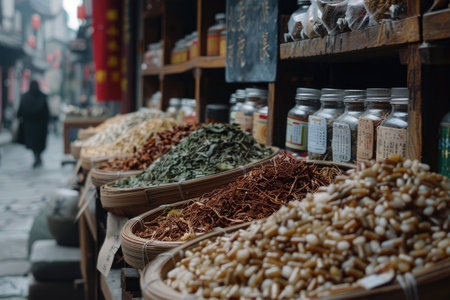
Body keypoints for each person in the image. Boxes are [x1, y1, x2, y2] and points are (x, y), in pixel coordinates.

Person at [17, 80, 49, 168]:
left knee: (34, 144)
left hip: (31, 126)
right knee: (37, 144)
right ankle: (37, 157)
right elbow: (46, 113)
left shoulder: (25, 97)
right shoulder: (42, 96)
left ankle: (37, 157)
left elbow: (20, 112)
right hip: (38, 126)